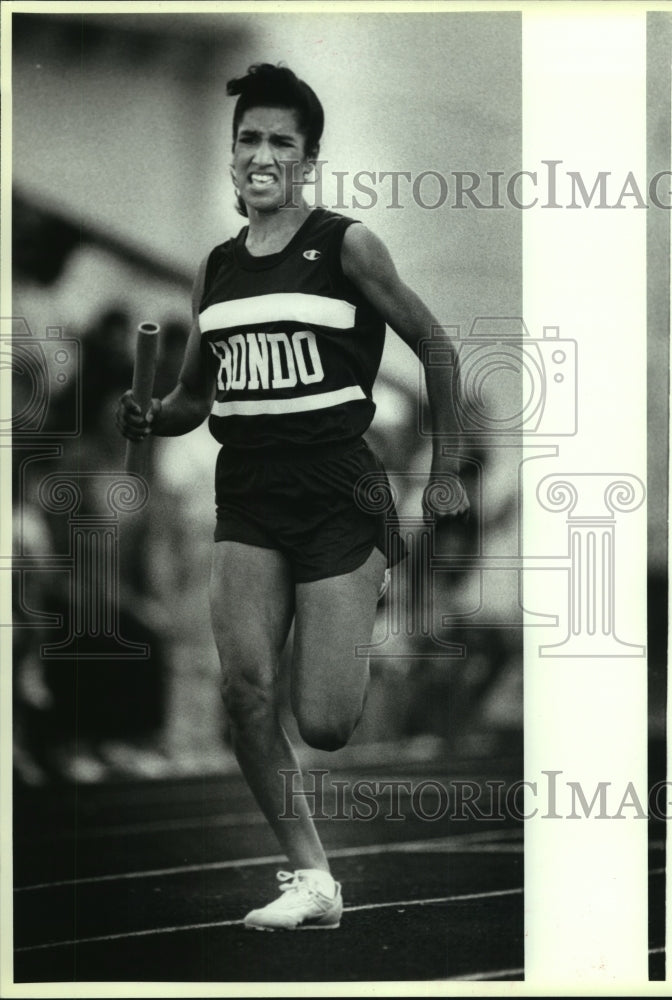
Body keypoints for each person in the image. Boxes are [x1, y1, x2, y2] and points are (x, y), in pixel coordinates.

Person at [116, 63, 469, 931]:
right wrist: (151, 415)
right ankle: (313, 877)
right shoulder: (217, 269)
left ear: (307, 160)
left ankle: (355, 599)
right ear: (233, 156)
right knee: (243, 691)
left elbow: (439, 349)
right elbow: (197, 401)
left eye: (280, 141)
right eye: (249, 139)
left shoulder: (347, 247)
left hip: (337, 490)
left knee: (326, 723)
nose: (261, 154)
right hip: (249, 493)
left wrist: (450, 467)